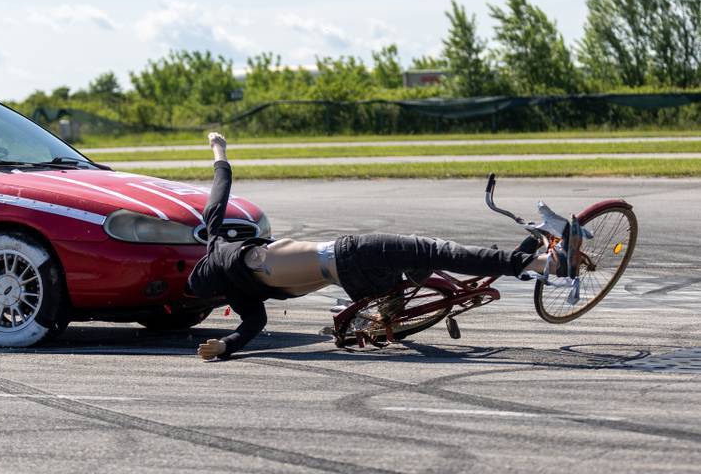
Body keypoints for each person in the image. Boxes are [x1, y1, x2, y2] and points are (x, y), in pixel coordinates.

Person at [189, 133, 579, 360]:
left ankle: (400, 304)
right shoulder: (220, 249)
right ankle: (542, 262)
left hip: (358, 286)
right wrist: (218, 149)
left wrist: (223, 347)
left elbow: (252, 326)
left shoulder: (244, 296)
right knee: (436, 249)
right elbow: (220, 192)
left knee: (426, 263)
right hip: (351, 254)